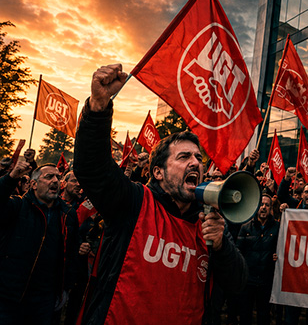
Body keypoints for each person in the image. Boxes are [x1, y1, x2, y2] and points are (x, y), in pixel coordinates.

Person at [73, 63, 247, 324]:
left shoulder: (208, 224)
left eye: (199, 158)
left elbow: (237, 283)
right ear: (157, 173)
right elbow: (92, 168)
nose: (196, 163)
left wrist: (222, 247)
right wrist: (98, 107)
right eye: (184, 156)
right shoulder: (133, 202)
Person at [0, 161, 79, 324]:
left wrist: (65, 288)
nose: (56, 181)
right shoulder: (18, 206)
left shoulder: (67, 215)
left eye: (58, 177)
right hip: (8, 295)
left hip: (44, 300)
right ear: (33, 185)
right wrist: (11, 177)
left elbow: (71, 253)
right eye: (49, 177)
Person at [236, 195, 279, 325]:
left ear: (271, 208)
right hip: (248, 280)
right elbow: (238, 251)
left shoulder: (277, 227)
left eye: (267, 205)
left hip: (266, 281)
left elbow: (281, 248)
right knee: (245, 314)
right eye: (261, 204)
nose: (263, 208)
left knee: (263, 315)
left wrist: (278, 255)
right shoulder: (245, 227)